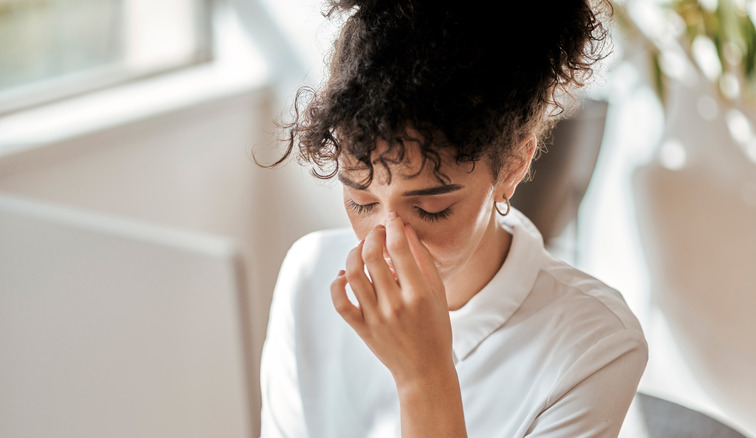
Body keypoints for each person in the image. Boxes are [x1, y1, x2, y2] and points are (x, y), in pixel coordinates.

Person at [259, 0, 648, 436]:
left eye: (430, 209)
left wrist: (424, 378)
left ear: (513, 167)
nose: (387, 243)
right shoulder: (309, 276)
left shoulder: (595, 345)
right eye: (361, 201)